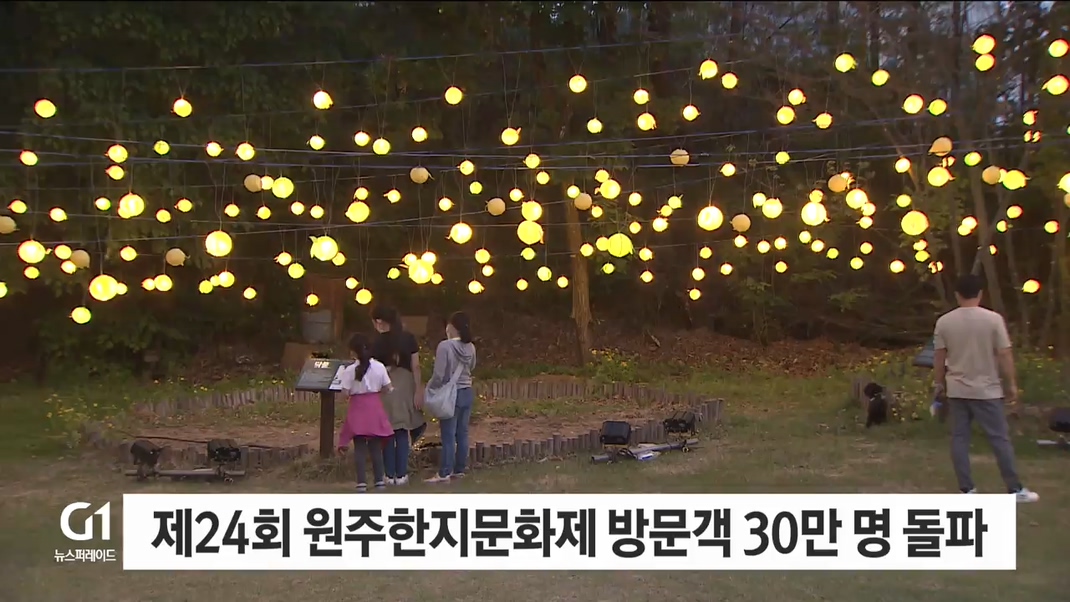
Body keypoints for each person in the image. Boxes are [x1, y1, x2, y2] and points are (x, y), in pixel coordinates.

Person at [933, 273, 1038, 502]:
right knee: (999, 438)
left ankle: (967, 489)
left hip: (957, 388)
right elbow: (1004, 353)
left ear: (957, 295)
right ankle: (1014, 489)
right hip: (987, 389)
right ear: (980, 294)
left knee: (959, 438)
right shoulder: (993, 320)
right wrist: (1011, 383)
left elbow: (939, 357)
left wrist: (938, 383)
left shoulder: (945, 322)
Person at [370, 306, 426, 486]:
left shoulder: (375, 343)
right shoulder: (408, 338)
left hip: (385, 388)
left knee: (387, 431)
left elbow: (372, 370)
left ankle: (389, 474)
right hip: (406, 385)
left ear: (379, 322)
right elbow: (416, 366)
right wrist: (418, 389)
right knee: (402, 430)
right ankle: (401, 475)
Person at [336, 333, 395, 492]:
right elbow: (388, 387)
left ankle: (361, 482)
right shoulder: (379, 367)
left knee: (360, 447)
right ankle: (379, 481)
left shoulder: (349, 370)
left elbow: (345, 392)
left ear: (353, 352)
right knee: (376, 447)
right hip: (374, 407)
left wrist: (340, 398)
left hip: (357, 408)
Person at [425, 311, 477, 483]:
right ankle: (459, 469)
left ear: (452, 327)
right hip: (467, 391)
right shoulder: (470, 347)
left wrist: (432, 387)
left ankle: (444, 472)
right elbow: (472, 366)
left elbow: (439, 374)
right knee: (462, 433)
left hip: (450, 394)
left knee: (448, 435)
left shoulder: (445, 346)